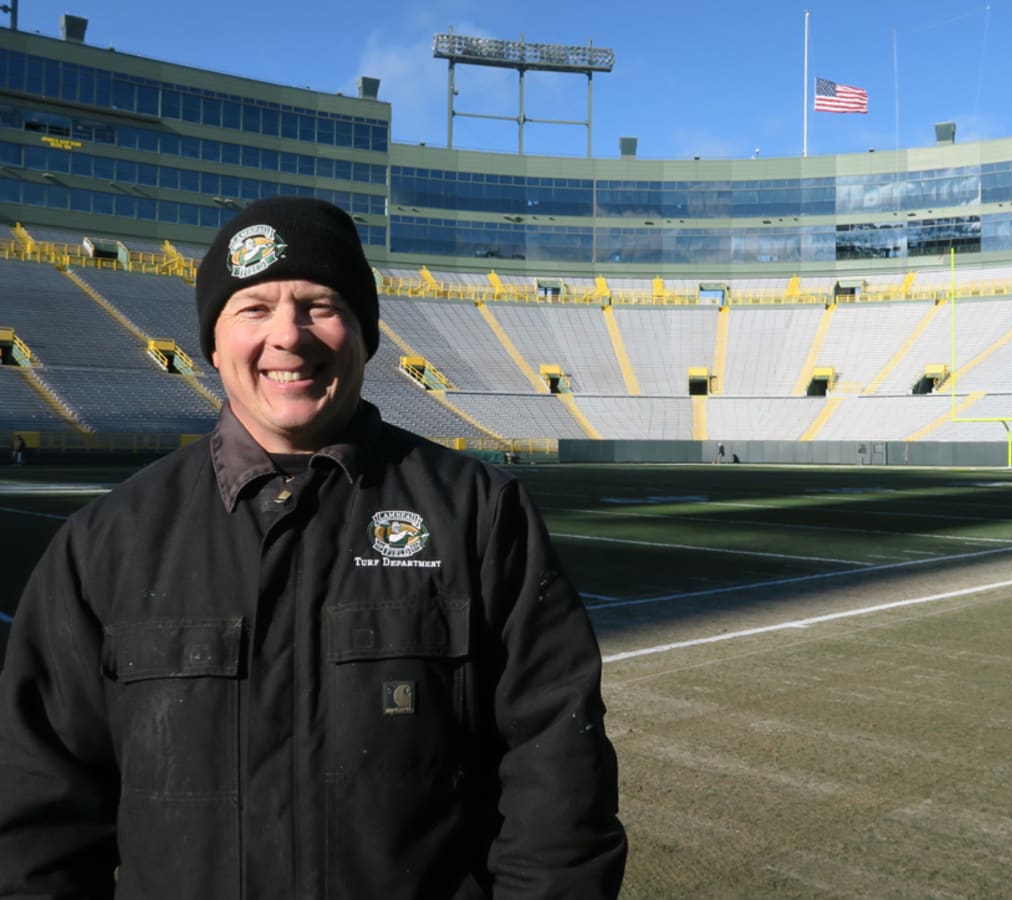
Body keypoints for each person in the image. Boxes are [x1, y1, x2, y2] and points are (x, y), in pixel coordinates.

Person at [0, 197, 627, 898]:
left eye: (318, 304)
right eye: (254, 309)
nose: (288, 337)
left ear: (366, 333)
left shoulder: (479, 514)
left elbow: (559, 788)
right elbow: (38, 823)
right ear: (212, 342)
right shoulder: (105, 542)